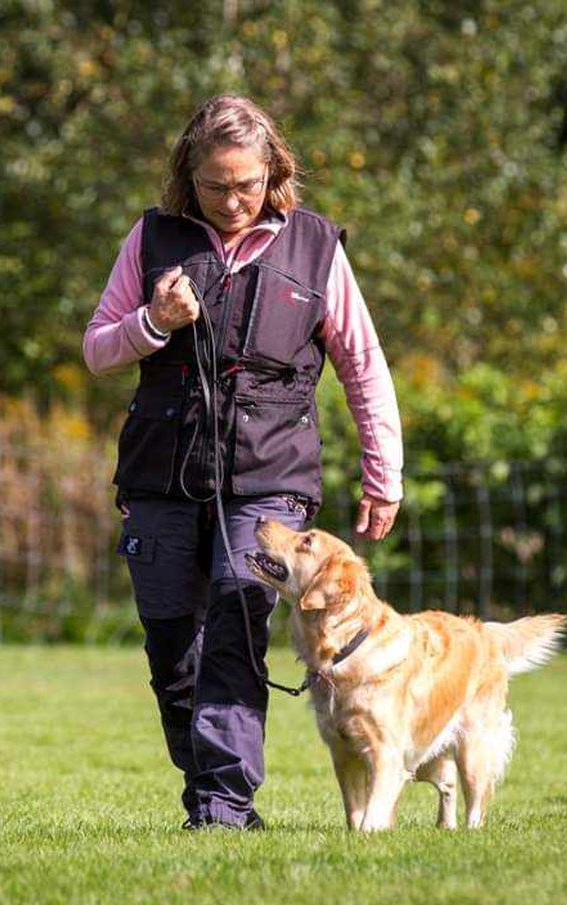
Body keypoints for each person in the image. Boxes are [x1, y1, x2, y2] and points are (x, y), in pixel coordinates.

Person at [83, 94, 403, 830]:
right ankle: (208, 795)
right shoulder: (151, 238)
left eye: (247, 185)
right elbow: (98, 348)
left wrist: (384, 475)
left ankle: (225, 807)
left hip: (270, 484)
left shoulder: (317, 247)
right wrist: (152, 323)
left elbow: (362, 365)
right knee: (173, 650)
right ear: (186, 177)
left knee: (233, 625)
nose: (232, 201)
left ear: (275, 174)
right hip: (161, 475)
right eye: (215, 185)